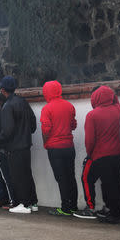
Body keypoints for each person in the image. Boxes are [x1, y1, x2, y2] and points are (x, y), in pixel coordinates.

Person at [73, 86, 120, 224]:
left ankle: (114, 214)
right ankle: (119, 211)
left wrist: (90, 153)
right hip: (117, 155)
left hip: (101, 156)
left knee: (108, 185)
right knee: (118, 185)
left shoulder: (92, 115)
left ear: (95, 98)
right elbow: (116, 101)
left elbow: (89, 140)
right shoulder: (116, 110)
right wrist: (112, 94)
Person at [0, 76, 38, 214]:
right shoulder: (23, 102)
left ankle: (23, 204)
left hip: (14, 147)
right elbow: (33, 124)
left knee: (17, 176)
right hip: (26, 145)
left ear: (3, 90)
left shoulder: (8, 106)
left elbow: (7, 131)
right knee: (27, 174)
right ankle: (32, 202)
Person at [40, 80, 78, 216]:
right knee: (71, 176)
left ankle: (65, 208)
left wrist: (45, 143)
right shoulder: (69, 105)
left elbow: (46, 129)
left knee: (61, 178)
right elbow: (73, 125)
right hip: (69, 146)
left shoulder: (47, 108)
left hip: (55, 148)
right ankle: (73, 206)